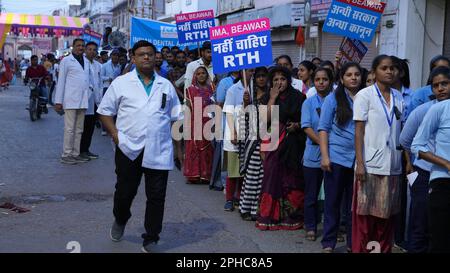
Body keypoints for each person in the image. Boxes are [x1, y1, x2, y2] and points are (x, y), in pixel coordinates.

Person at [97, 40, 183, 253]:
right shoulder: (121, 83)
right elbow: (104, 112)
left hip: (159, 148)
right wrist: (117, 137)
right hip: (128, 148)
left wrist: (179, 149)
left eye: (150, 54)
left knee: (156, 196)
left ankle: (151, 237)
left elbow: (176, 118)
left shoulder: (166, 86)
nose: (146, 57)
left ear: (156, 58)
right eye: (141, 54)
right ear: (133, 58)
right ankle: (120, 218)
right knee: (125, 192)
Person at [353, 55, 404, 253]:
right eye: (384, 68)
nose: (390, 71)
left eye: (393, 68)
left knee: (386, 217)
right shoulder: (364, 95)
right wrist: (360, 163)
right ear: (374, 72)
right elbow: (359, 130)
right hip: (369, 164)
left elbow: (401, 130)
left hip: (393, 165)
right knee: (366, 219)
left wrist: (406, 161)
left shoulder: (398, 97)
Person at [401, 66, 450, 253]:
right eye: (436, 85)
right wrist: (409, 163)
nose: (440, 89)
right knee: (424, 226)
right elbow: (408, 141)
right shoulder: (428, 110)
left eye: (444, 84)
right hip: (429, 174)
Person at [318, 63, 364, 252]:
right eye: (349, 75)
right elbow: (323, 128)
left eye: (356, 74)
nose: (353, 78)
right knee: (333, 203)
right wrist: (325, 156)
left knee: (354, 206)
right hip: (336, 158)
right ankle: (329, 243)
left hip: (359, 160)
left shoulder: (366, 97)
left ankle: (353, 243)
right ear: (342, 78)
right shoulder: (332, 98)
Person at [256, 66, 306, 230]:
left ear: (289, 81)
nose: (279, 82)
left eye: (283, 79)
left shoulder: (299, 97)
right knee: (272, 177)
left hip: (293, 145)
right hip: (272, 143)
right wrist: (273, 97)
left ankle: (291, 216)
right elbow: (265, 120)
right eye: (276, 80)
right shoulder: (267, 97)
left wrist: (297, 125)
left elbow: (306, 121)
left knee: (291, 179)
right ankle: (270, 215)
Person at [301, 67, 333, 241]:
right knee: (311, 195)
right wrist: (323, 143)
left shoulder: (336, 101)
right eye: (318, 79)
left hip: (333, 154)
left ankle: (332, 229)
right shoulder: (308, 102)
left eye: (325, 79)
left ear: (331, 81)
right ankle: (311, 226)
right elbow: (306, 126)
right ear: (314, 82)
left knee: (331, 196)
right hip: (313, 154)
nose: (321, 82)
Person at [238, 66, 269, 221]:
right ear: (254, 78)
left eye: (264, 76)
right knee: (251, 176)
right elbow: (245, 117)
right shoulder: (250, 96)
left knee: (263, 177)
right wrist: (245, 104)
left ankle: (257, 210)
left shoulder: (271, 97)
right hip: (252, 141)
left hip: (268, 139)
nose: (261, 79)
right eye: (258, 76)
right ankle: (245, 208)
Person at [54, 39, 91, 165]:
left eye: (82, 45)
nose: (81, 47)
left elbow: (87, 80)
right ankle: (66, 154)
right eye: (78, 45)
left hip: (83, 100)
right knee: (69, 129)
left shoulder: (86, 61)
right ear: (73, 47)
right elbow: (61, 81)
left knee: (79, 129)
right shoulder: (66, 61)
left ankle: (75, 153)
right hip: (70, 99)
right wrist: (58, 101)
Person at [223, 69, 254, 211]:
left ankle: (239, 196)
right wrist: (233, 132)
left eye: (253, 71)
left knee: (244, 170)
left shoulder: (256, 88)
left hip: (251, 134)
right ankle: (229, 198)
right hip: (235, 134)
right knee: (233, 170)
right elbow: (229, 112)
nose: (250, 74)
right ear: (242, 72)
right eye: (248, 71)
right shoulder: (233, 90)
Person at [183, 66, 214, 184]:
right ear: (195, 76)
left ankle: (206, 175)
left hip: (209, 122)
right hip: (195, 122)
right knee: (195, 148)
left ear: (207, 75)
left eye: (203, 73)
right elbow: (188, 108)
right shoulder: (190, 90)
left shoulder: (212, 88)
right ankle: (194, 175)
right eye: (198, 73)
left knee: (208, 148)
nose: (201, 75)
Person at [209, 71, 240, 191]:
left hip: (243, 121)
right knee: (225, 153)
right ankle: (224, 183)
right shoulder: (225, 82)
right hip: (227, 120)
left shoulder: (249, 80)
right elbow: (220, 103)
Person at [79, 42, 103, 160]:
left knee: (90, 126)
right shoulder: (81, 63)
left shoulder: (98, 65)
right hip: (84, 99)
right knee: (81, 126)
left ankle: (86, 149)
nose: (92, 52)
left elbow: (99, 83)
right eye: (89, 49)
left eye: (94, 50)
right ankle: (79, 150)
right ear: (85, 50)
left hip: (95, 99)